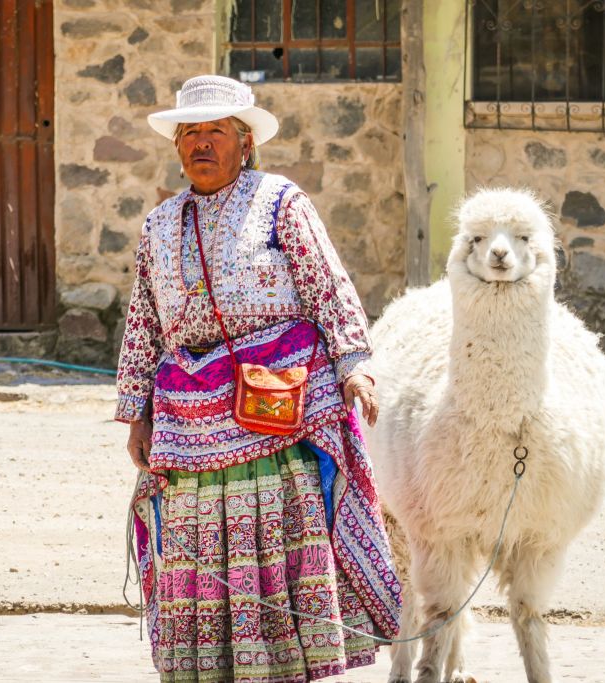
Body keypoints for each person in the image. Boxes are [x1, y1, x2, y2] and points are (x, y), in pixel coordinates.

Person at [118, 74, 401, 682]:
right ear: (176, 146)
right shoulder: (159, 226)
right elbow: (143, 320)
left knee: (275, 536)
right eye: (190, 132)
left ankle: (279, 668)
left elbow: (328, 286)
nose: (201, 144)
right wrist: (137, 410)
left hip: (273, 411)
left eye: (215, 131)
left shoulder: (281, 203)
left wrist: (355, 368)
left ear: (244, 142)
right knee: (196, 550)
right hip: (187, 421)